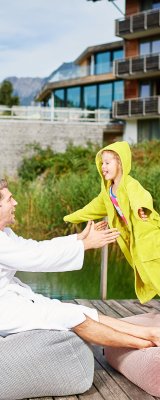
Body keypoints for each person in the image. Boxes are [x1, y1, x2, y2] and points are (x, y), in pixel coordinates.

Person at [0, 178, 160, 349]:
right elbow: (35, 258)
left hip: (10, 300)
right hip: (5, 311)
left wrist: (78, 238)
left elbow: (36, 247)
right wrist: (86, 244)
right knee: (72, 317)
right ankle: (146, 345)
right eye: (9, 199)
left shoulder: (6, 234)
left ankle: (149, 333)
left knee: (79, 311)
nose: (15, 203)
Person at [64, 141, 160, 304]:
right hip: (135, 241)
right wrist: (71, 217)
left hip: (149, 235)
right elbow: (92, 208)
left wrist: (140, 208)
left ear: (121, 163)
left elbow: (141, 197)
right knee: (146, 273)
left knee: (154, 269)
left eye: (108, 162)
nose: (103, 167)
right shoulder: (108, 192)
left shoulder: (130, 184)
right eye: (102, 163)